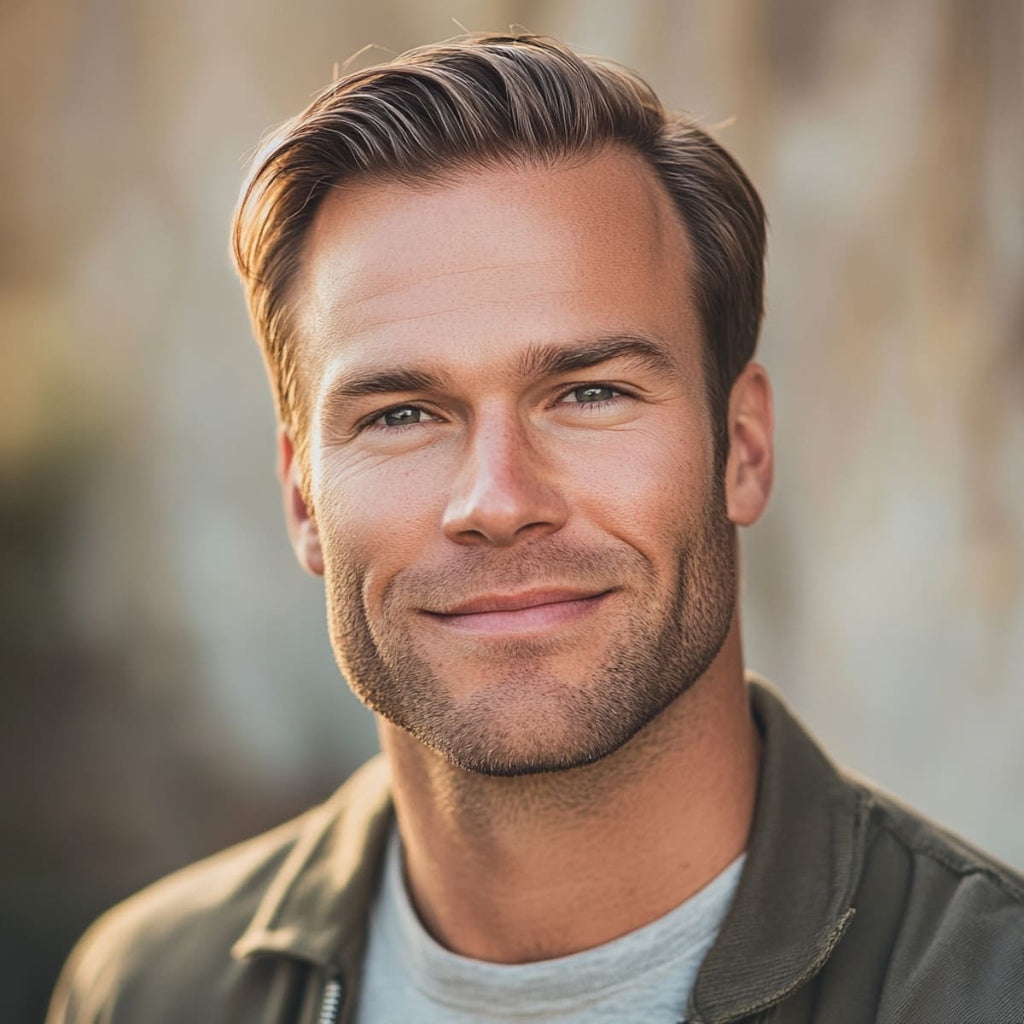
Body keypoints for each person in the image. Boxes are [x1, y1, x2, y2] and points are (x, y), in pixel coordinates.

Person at [47, 33, 1023, 1024]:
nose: (498, 500)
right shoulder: (148, 989)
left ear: (742, 447)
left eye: (589, 392)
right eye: (400, 413)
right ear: (303, 496)